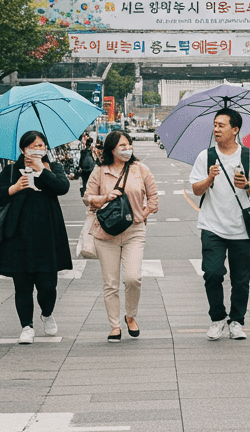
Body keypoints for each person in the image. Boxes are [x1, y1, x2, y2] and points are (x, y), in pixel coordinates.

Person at [190, 108, 250, 341]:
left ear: (235, 129)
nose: (216, 129)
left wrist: (246, 185)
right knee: (212, 274)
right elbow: (195, 189)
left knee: (240, 280)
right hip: (212, 226)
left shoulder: (249, 156)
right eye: (214, 124)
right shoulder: (206, 156)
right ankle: (217, 319)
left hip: (241, 228)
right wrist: (209, 178)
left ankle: (237, 322)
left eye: (221, 125)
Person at [0, 131, 73, 344]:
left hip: (47, 235)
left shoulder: (53, 168)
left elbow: (62, 188)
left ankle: (47, 313)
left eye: (41, 145)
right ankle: (26, 326)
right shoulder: (11, 171)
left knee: (48, 285)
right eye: (33, 146)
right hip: (18, 236)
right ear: (23, 149)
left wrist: (41, 170)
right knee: (22, 285)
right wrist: (14, 188)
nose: (38, 149)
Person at [83, 131, 159, 342]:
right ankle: (114, 326)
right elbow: (87, 198)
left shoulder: (140, 169)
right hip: (105, 232)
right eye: (122, 146)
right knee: (111, 283)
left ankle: (130, 315)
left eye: (129, 145)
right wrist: (104, 197)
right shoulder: (100, 171)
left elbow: (153, 197)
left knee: (133, 278)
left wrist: (144, 213)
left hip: (134, 230)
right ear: (111, 149)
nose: (127, 149)